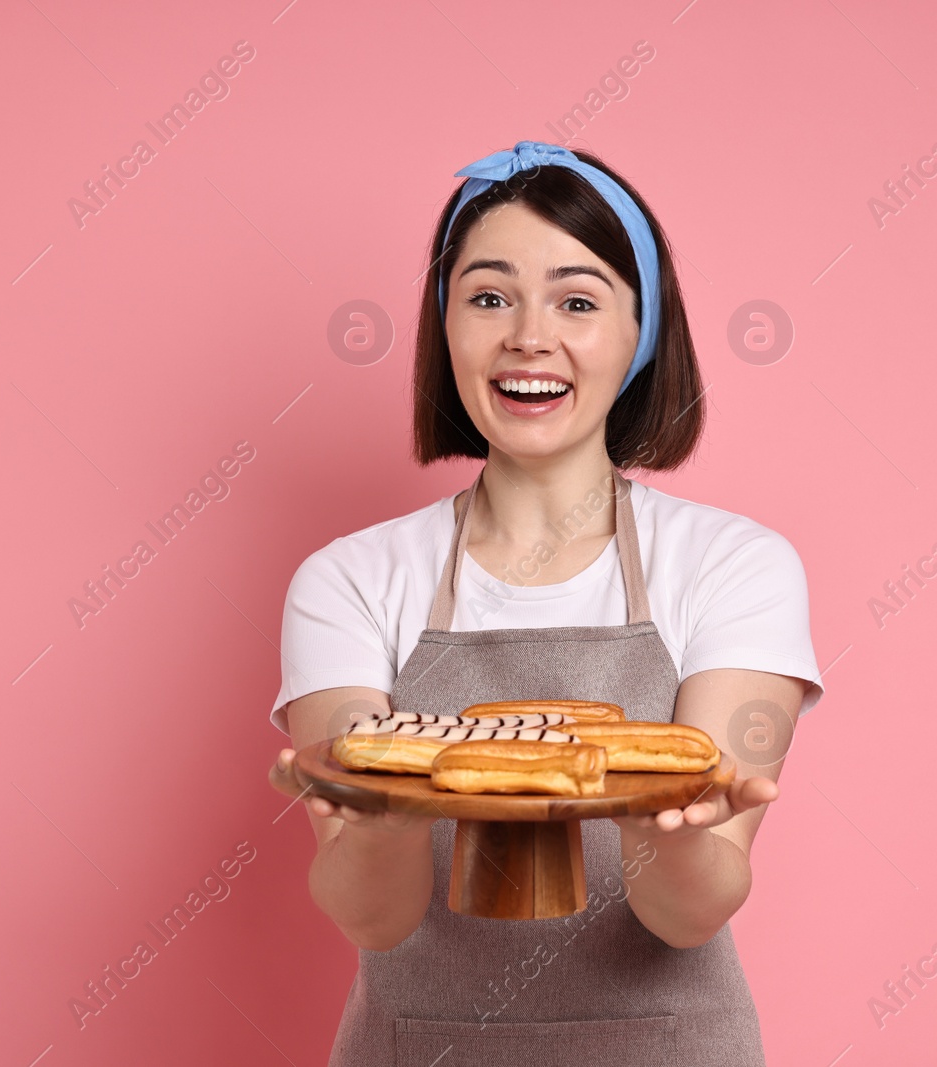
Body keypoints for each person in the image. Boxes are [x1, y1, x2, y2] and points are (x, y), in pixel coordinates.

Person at [267, 139, 823, 1066]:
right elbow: (373, 915)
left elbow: (691, 913)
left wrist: (664, 824)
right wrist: (382, 814)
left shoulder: (737, 565)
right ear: (445, 330)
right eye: (489, 296)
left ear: (640, 333)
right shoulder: (350, 580)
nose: (530, 335)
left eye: (577, 300)